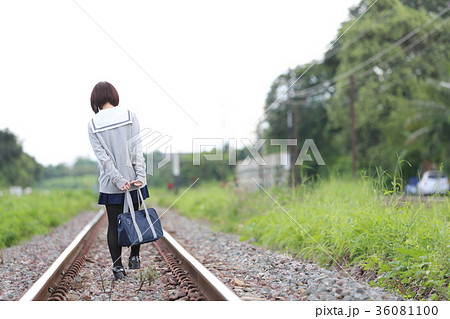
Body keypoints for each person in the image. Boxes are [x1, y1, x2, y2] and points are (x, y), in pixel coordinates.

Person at [87, 81, 149, 280]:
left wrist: (117, 179)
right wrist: (140, 176)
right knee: (135, 218)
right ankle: (134, 258)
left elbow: (103, 158)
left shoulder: (93, 124)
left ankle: (117, 269)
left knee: (114, 224)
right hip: (133, 179)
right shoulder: (130, 116)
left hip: (111, 183)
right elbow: (137, 149)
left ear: (95, 99)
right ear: (113, 95)